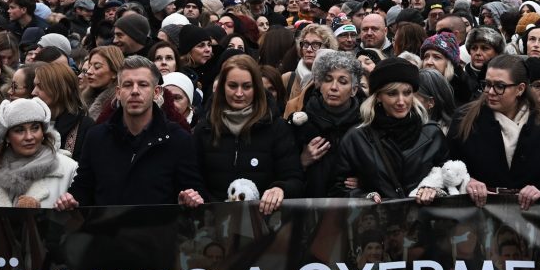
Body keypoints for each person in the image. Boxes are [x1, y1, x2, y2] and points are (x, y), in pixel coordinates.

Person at [59, 56, 205, 207]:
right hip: (106, 229)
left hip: (159, 229)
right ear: (118, 92)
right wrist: (70, 201)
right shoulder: (96, 137)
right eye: (128, 85)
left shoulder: (178, 140)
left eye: (143, 85)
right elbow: (82, 189)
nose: (135, 91)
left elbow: (194, 192)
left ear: (156, 92)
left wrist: (189, 200)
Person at [450, 54, 540, 210]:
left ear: (520, 89)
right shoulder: (464, 119)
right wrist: (468, 181)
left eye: (500, 86)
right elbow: (448, 163)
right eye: (487, 84)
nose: (490, 92)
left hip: (534, 218)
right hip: (479, 215)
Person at [331, 57, 448, 202]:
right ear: (378, 96)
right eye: (392, 93)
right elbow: (338, 190)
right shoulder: (357, 138)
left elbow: (451, 178)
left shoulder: (432, 134)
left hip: (423, 220)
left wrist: (433, 190)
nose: (401, 101)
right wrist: (365, 196)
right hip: (377, 220)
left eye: (407, 92)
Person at [194, 56, 302, 212]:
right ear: (222, 87)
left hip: (264, 222)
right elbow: (195, 180)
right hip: (215, 223)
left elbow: (294, 179)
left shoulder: (276, 127)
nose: (239, 93)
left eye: (246, 87)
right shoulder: (205, 129)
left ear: (257, 88)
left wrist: (280, 189)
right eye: (232, 86)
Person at [0, 97, 79, 212]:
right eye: (19, 130)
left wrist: (68, 210)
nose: (29, 137)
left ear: (43, 132)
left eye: (35, 128)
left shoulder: (67, 169)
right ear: (7, 137)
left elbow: (76, 224)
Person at [293, 49, 364, 198]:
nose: (333, 87)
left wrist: (365, 180)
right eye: (328, 79)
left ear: (354, 90)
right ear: (319, 83)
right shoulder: (302, 123)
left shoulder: (365, 126)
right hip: (310, 209)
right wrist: (302, 162)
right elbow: (282, 172)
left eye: (342, 81)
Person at [31, 60, 92, 157]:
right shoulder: (30, 122)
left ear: (59, 90)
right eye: (34, 86)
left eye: (40, 86)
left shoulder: (85, 127)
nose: (33, 92)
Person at [80, 45, 123, 119]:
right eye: (89, 67)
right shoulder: (82, 99)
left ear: (114, 73)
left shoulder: (118, 105)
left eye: (97, 67)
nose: (89, 72)